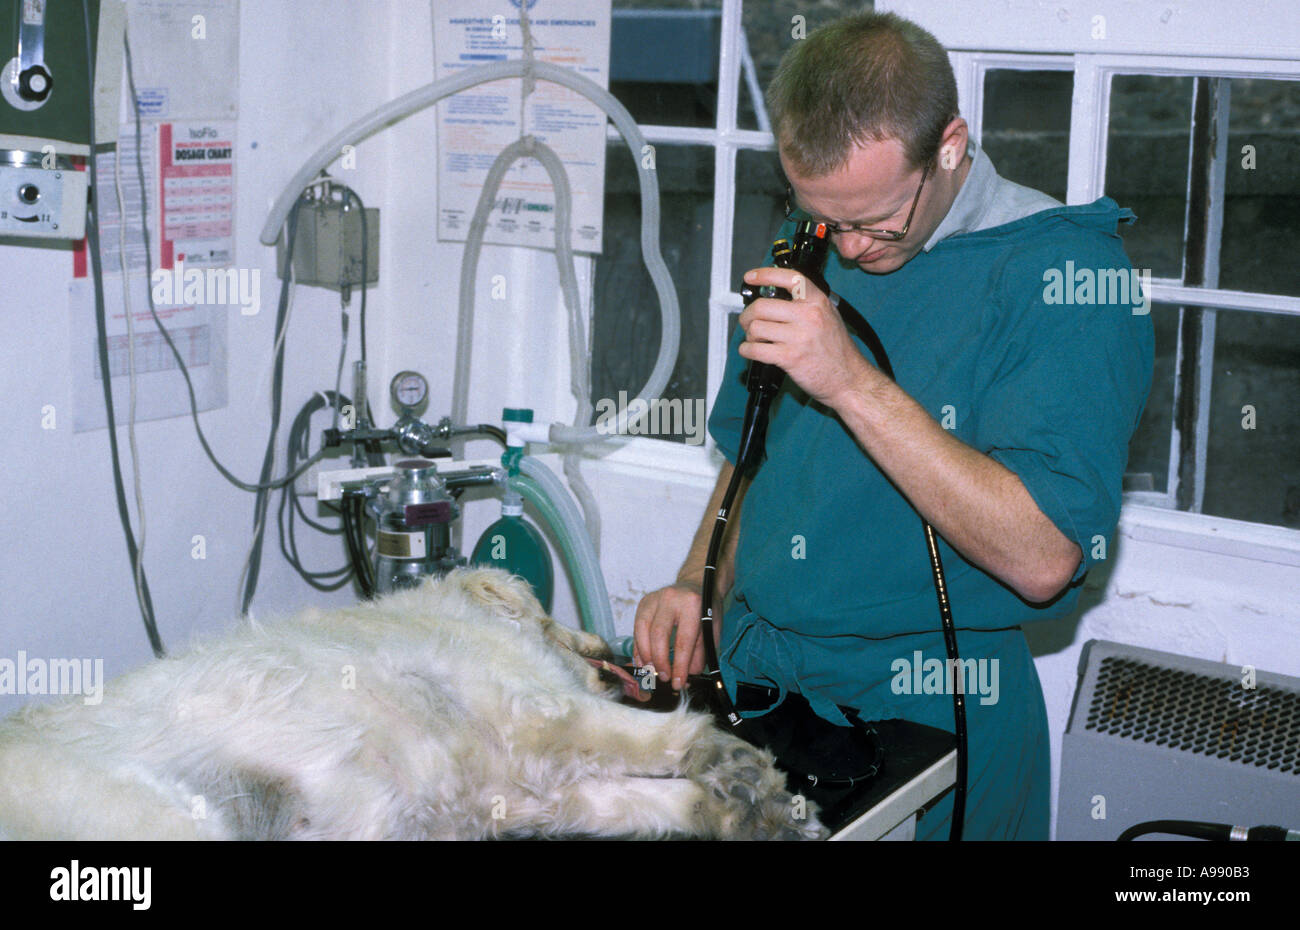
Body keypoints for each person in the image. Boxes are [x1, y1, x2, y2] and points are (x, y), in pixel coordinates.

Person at [631, 11, 1154, 840]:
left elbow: (1046, 555)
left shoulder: (1066, 275)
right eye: (822, 215)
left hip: (929, 712)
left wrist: (851, 382)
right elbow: (754, 449)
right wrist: (702, 580)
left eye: (875, 221)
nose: (846, 246)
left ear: (950, 144)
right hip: (765, 681)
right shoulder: (822, 236)